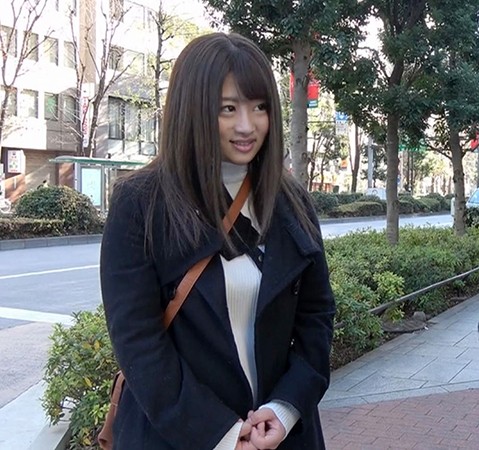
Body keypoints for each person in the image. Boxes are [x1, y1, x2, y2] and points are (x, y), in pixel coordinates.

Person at [100, 32, 335, 450]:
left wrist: (286, 409)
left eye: (259, 107)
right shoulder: (142, 204)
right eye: (228, 108)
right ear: (193, 109)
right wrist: (221, 433)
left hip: (280, 436)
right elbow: (138, 341)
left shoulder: (291, 201)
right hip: (178, 438)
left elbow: (316, 316)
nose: (247, 125)